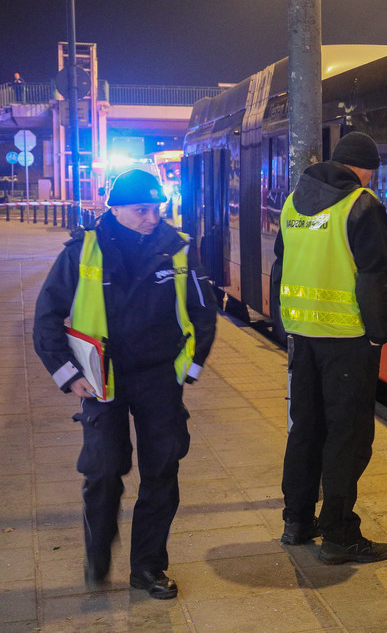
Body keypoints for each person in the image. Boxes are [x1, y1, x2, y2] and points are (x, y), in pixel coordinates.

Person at [32, 169, 218, 599]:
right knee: (103, 470)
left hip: (158, 379)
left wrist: (189, 369)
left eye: (157, 209)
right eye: (141, 210)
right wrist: (68, 374)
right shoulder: (83, 250)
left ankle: (149, 568)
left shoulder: (178, 249)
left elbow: (203, 310)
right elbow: (47, 316)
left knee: (162, 471)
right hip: (101, 380)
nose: (152, 217)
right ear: (114, 209)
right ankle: (97, 553)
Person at [270, 131, 387, 564]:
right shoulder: (361, 205)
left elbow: (280, 264)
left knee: (306, 428)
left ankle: (297, 521)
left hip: (303, 336)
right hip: (347, 341)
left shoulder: (294, 204)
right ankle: (339, 533)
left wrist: (285, 324)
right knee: (348, 436)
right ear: (365, 169)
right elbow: (374, 275)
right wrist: (379, 333)